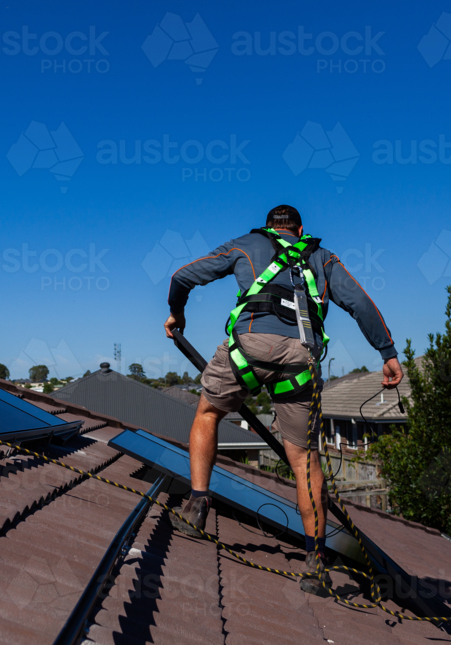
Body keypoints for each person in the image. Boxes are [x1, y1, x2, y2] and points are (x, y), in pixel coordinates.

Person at [163, 204, 403, 595]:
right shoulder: (322, 259)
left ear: (269, 227)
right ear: (300, 229)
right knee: (305, 458)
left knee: (207, 413)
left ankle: (196, 506)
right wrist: (387, 354)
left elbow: (182, 276)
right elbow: (360, 303)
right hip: (300, 360)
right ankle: (315, 564)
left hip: (248, 349)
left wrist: (177, 314)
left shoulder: (246, 244)